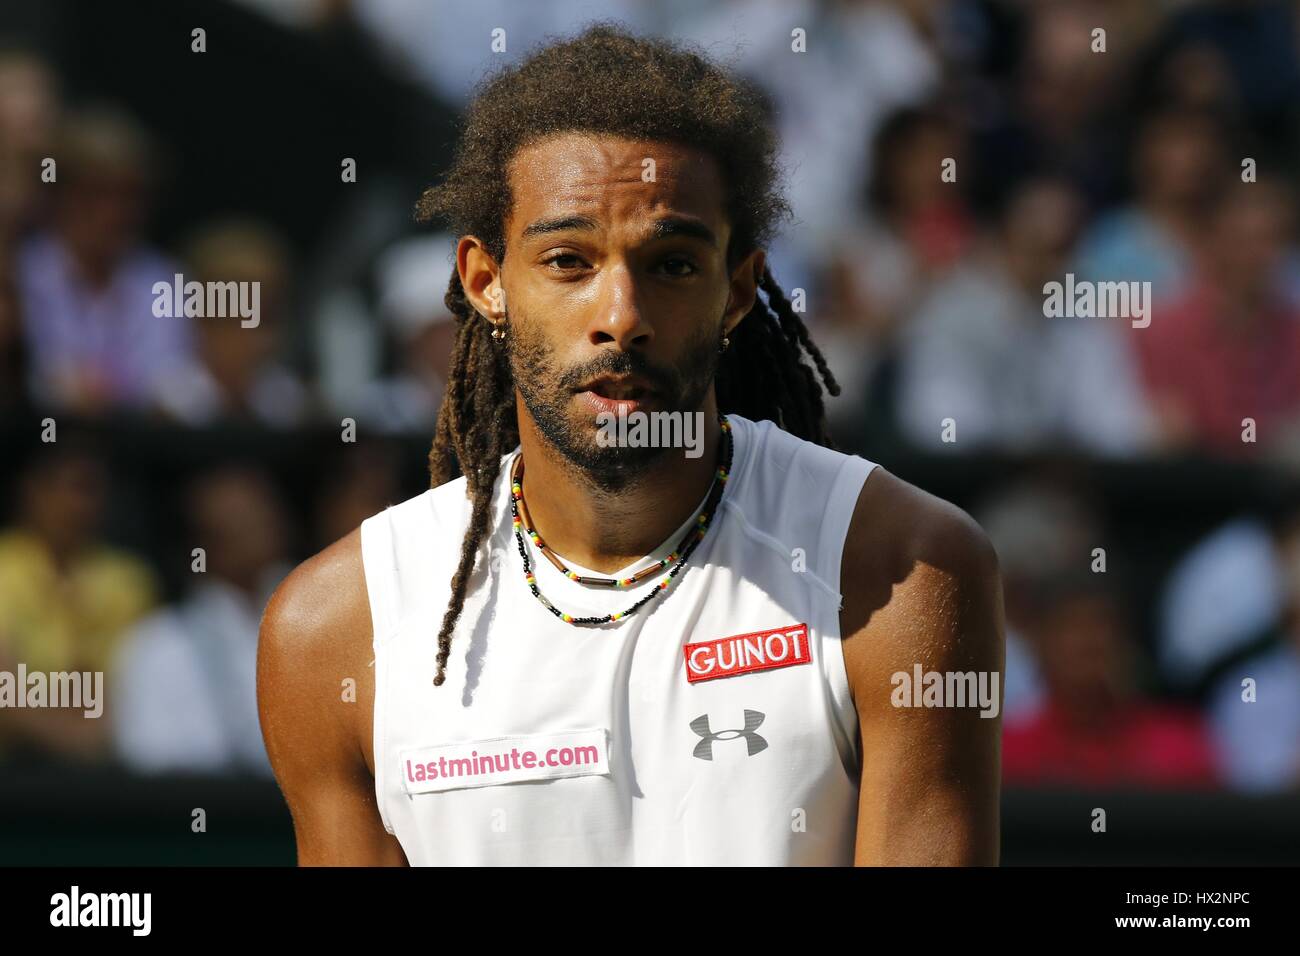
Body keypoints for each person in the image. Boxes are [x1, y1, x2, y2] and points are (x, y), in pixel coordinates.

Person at [257, 25, 1004, 866]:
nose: (622, 315)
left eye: (673, 264)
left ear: (738, 291)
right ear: (484, 283)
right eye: (569, 261)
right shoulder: (334, 630)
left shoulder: (906, 572)